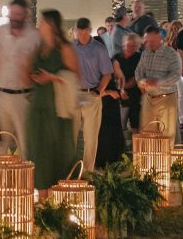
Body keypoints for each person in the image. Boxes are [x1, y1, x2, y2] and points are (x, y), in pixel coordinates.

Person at [27, 10, 80, 196]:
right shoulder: (38, 49)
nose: (39, 25)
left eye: (42, 22)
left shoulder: (64, 49)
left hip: (56, 109)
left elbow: (75, 78)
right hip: (38, 106)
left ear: (52, 25)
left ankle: (61, 200)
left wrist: (52, 77)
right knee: (39, 151)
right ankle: (42, 201)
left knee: (57, 152)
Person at [0, 0, 41, 158]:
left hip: (23, 96)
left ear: (26, 15)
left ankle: (26, 179)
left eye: (18, 14)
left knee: (25, 142)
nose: (14, 17)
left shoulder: (34, 36)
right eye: (12, 14)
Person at [72, 17, 122, 169]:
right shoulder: (70, 47)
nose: (81, 37)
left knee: (91, 136)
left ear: (89, 31)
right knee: (70, 135)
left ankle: (87, 170)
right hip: (74, 94)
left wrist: (99, 91)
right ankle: (71, 169)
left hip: (91, 94)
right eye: (78, 34)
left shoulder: (99, 49)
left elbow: (107, 73)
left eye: (84, 34)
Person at [136, 24, 182, 141]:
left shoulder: (171, 54)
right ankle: (151, 158)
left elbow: (176, 74)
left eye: (152, 41)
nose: (148, 44)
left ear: (160, 39)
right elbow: (138, 71)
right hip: (148, 98)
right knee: (148, 133)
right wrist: (142, 81)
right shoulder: (145, 53)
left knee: (167, 134)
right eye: (147, 41)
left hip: (166, 98)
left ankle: (168, 158)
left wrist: (158, 82)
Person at [113, 32, 142, 133]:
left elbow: (136, 77)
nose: (129, 48)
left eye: (133, 46)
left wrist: (125, 87)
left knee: (136, 122)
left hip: (135, 94)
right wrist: (121, 89)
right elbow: (115, 76)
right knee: (119, 124)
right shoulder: (117, 57)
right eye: (127, 45)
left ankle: (136, 146)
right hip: (119, 93)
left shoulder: (139, 57)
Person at [165, 20, 183, 130]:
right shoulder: (170, 40)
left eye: (177, 28)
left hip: (177, 67)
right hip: (171, 68)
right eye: (173, 28)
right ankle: (177, 117)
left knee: (181, 94)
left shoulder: (179, 39)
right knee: (175, 94)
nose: (175, 30)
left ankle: (181, 118)